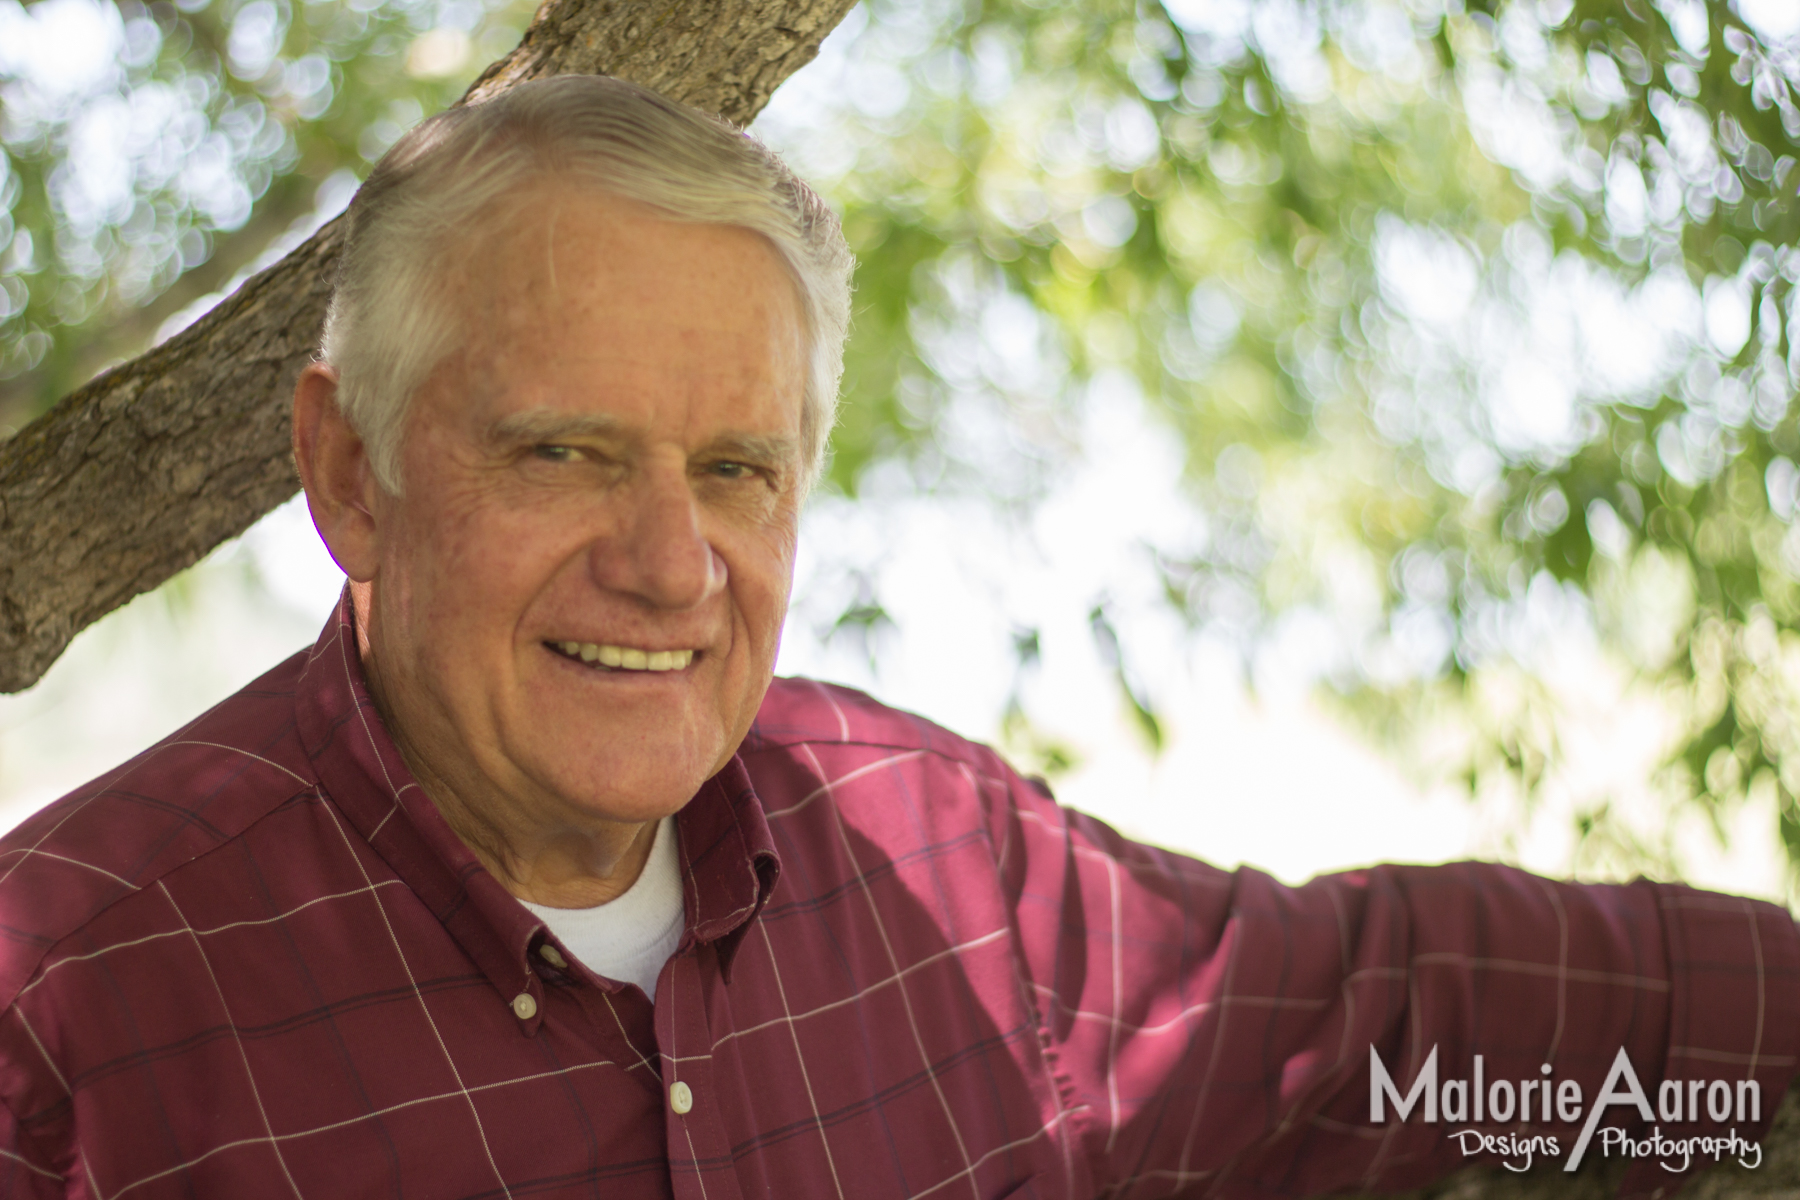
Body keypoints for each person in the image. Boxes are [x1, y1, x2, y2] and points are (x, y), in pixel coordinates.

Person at [0, 75, 1793, 1200]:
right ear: (348, 471)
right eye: (562, 453)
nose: (669, 565)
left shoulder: (933, 852)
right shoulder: (62, 1022)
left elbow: (1375, 1021)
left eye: (736, 471)